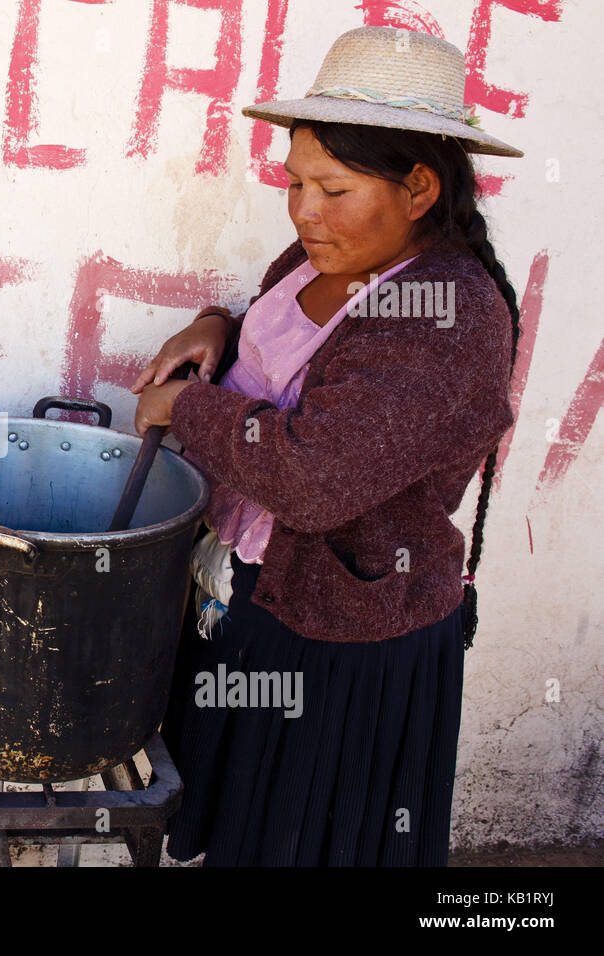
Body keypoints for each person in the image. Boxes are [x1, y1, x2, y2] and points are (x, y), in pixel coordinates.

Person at [130, 26, 523, 866]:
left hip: (337, 641)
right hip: (248, 599)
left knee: (304, 841)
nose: (305, 210)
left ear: (419, 188)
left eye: (333, 189)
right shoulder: (321, 256)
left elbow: (314, 478)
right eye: (295, 183)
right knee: (235, 827)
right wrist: (217, 327)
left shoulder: (447, 315)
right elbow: (293, 354)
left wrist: (187, 407)